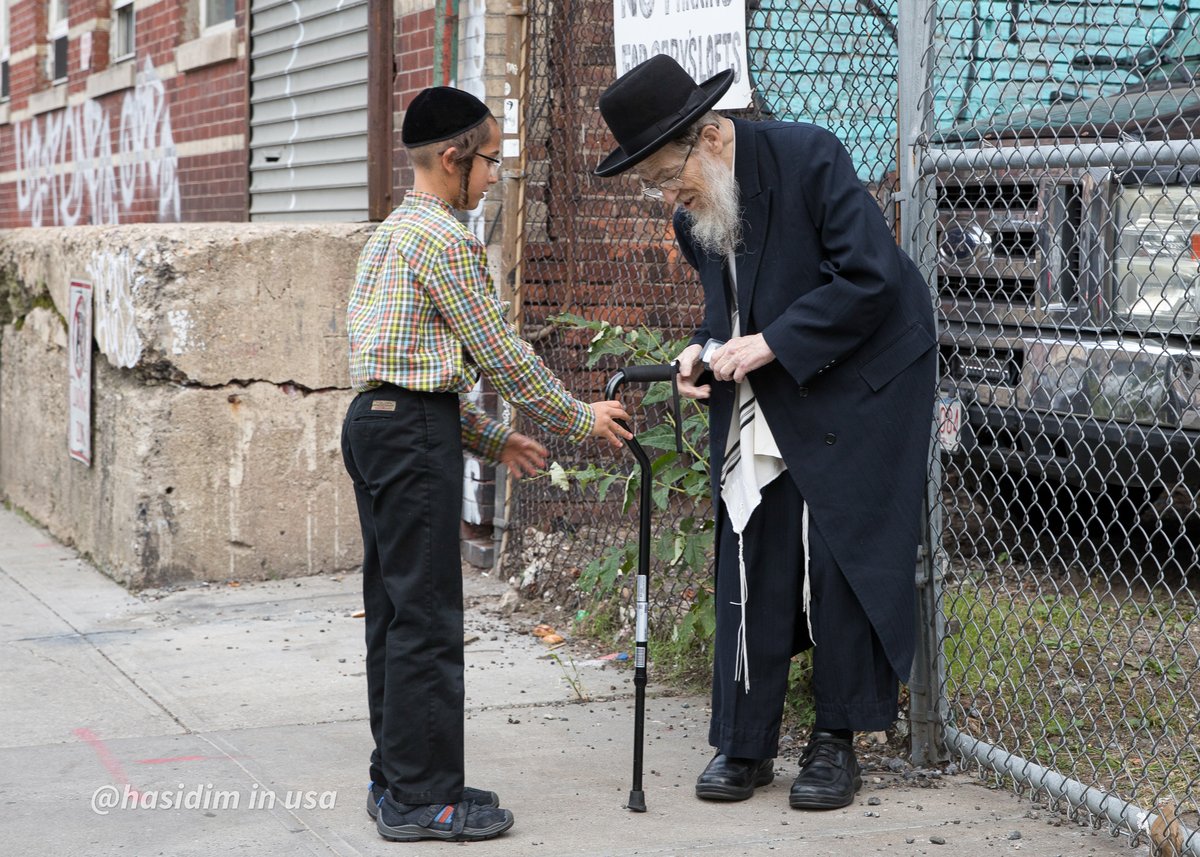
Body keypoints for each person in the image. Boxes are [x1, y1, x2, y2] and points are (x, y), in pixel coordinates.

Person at [594, 55, 937, 811]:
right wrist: (700, 346)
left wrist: (770, 342)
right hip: (778, 372)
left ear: (711, 136)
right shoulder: (696, 211)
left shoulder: (810, 155)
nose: (665, 198)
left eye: (663, 176)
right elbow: (729, 311)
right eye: (651, 184)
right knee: (752, 545)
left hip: (868, 371)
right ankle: (744, 738)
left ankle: (836, 739)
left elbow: (870, 277)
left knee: (838, 551)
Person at [342, 85, 632, 843]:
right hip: (410, 436)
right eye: (491, 160)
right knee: (429, 616)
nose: (497, 176)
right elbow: (500, 355)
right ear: (452, 158)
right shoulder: (444, 239)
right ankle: (424, 799)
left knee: (396, 609)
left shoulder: (391, 235)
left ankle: (399, 776)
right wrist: (580, 417)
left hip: (376, 426)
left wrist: (494, 440)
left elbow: (404, 372)